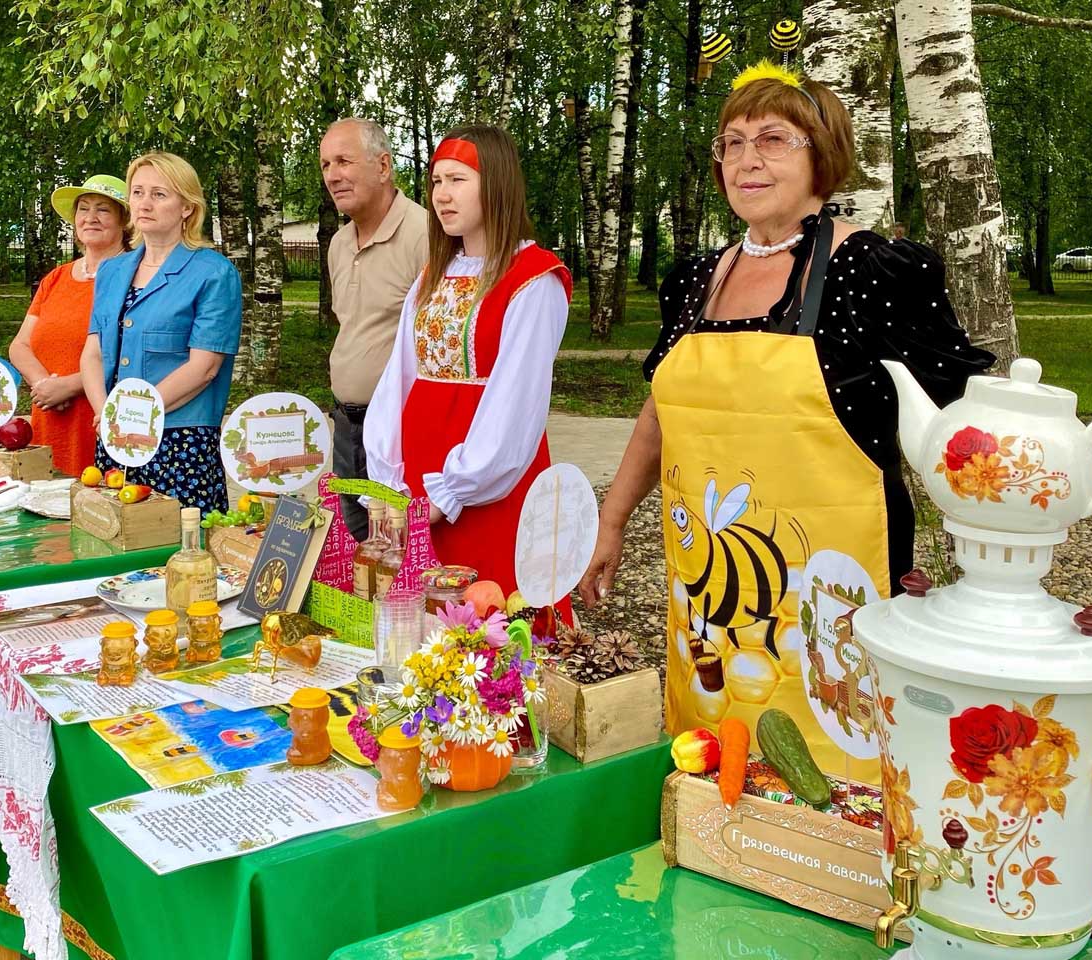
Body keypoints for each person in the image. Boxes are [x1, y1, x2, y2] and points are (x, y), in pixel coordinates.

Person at [578, 61, 995, 752]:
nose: (747, 160)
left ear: (821, 155)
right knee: (714, 755)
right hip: (710, 594)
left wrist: (984, 569)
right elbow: (661, 411)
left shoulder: (871, 270)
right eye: (732, 143)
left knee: (842, 761)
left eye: (772, 139)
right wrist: (613, 520)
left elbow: (963, 421)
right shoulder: (696, 278)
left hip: (833, 589)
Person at [364, 125, 571, 600]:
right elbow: (399, 378)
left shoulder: (534, 278)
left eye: (458, 180)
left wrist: (452, 491)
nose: (442, 195)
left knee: (489, 615)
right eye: (436, 182)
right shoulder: (432, 274)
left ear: (496, 184)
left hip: (489, 480)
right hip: (418, 469)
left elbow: (517, 399)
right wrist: (390, 479)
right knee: (422, 614)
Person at [80, 152, 242, 512]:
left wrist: (133, 414)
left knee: (181, 553)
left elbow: (204, 368)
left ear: (187, 207)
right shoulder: (112, 271)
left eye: (159, 194)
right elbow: (93, 351)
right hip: (117, 436)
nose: (144, 203)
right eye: (138, 193)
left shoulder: (213, 273)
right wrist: (107, 413)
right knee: (115, 547)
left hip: (180, 442)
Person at [322, 118, 428, 540]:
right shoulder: (339, 243)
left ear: (383, 166)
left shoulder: (426, 234)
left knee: (395, 552)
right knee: (352, 550)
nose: (332, 175)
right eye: (326, 164)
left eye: (344, 161)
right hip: (345, 425)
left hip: (399, 430)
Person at [9, 175, 130, 476]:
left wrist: (68, 386)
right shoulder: (57, 278)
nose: (90, 218)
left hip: (100, 418)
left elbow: (132, 353)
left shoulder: (135, 277)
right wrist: (44, 386)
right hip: (49, 418)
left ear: (124, 221)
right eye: (83, 209)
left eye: (103, 209)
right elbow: (20, 345)